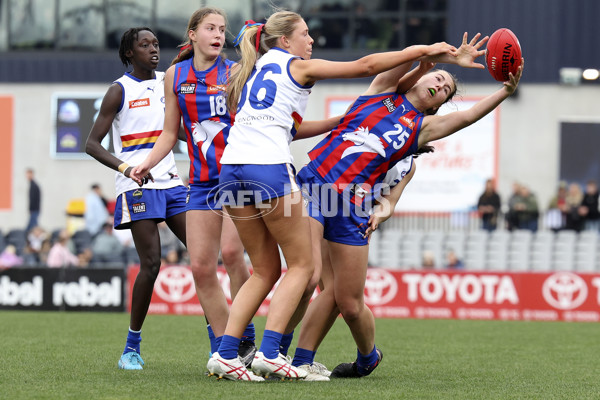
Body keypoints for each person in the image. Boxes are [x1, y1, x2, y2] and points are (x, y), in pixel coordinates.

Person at [200, 11, 459, 381]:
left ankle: (226, 354)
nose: (312, 41)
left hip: (232, 168)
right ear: (286, 40)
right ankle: (272, 353)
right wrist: (426, 49)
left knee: (266, 270)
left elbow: (293, 127)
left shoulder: (258, 68)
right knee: (305, 270)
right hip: (271, 169)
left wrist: (346, 122)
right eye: (306, 34)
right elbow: (367, 65)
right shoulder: (298, 66)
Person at [290, 34, 522, 378]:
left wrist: (505, 91)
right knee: (315, 281)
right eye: (438, 78)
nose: (440, 85)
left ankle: (368, 357)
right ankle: (291, 359)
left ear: (436, 106)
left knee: (349, 304)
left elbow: (469, 116)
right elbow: (397, 59)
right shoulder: (381, 93)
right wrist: (438, 57)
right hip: (317, 191)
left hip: (353, 209)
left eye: (445, 90)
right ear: (424, 73)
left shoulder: (419, 132)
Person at [127, 8, 263, 371]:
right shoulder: (175, 75)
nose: (218, 34)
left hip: (237, 180)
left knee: (232, 254)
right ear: (193, 34)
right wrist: (146, 164)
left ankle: (243, 337)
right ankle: (225, 352)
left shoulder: (235, 72)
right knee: (201, 268)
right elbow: (170, 134)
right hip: (202, 184)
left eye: (222, 29)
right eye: (210, 28)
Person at [85, 27, 188, 370]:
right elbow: (92, 144)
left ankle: (223, 344)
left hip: (172, 182)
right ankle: (132, 347)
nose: (152, 49)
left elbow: (180, 130)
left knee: (203, 256)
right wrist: (128, 168)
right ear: (129, 53)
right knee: (152, 263)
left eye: (155, 44)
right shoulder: (119, 90)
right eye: (144, 45)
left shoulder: (168, 81)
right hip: (137, 185)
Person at [25, 168, 41, 233]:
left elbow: (34, 199)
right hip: (34, 209)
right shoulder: (32, 185)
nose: (27, 176)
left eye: (28, 174)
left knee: (32, 227)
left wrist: (32, 209)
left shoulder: (34, 186)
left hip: (34, 209)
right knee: (32, 226)